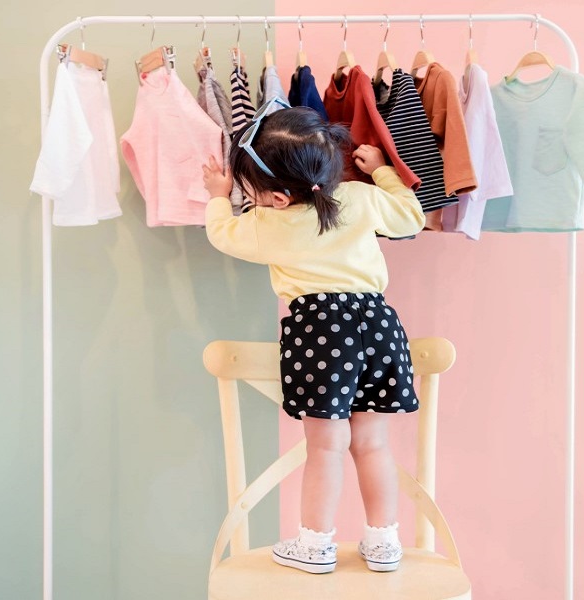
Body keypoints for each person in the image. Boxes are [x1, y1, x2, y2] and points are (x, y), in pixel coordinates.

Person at [202, 99, 426, 575]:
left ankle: (316, 545)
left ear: (278, 198)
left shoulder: (268, 225)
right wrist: (383, 171)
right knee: (373, 444)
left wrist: (219, 196)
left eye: (251, 191)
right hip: (379, 324)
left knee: (326, 444)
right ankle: (385, 544)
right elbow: (411, 217)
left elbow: (222, 234)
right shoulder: (359, 199)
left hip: (321, 329)